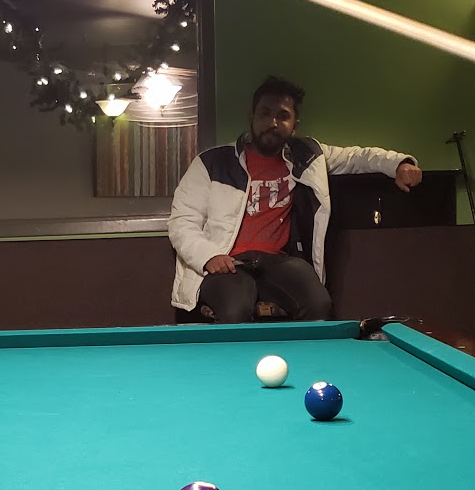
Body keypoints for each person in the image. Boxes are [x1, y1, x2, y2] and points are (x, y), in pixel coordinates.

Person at [169, 76, 422, 323]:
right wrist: (209, 256)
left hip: (277, 261)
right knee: (235, 309)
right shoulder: (212, 162)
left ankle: (307, 355)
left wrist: (399, 164)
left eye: (283, 116)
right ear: (252, 117)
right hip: (227, 260)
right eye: (265, 113)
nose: (273, 122)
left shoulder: (308, 156)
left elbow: (358, 157)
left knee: (318, 304)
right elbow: (182, 221)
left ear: (294, 125)